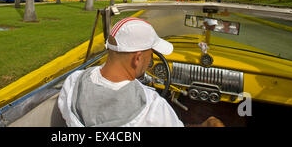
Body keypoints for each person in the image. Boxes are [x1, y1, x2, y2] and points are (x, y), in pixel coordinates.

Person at [58, 17, 224, 127]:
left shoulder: (73, 82)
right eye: (150, 55)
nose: (150, 61)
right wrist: (205, 124)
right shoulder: (151, 106)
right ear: (137, 58)